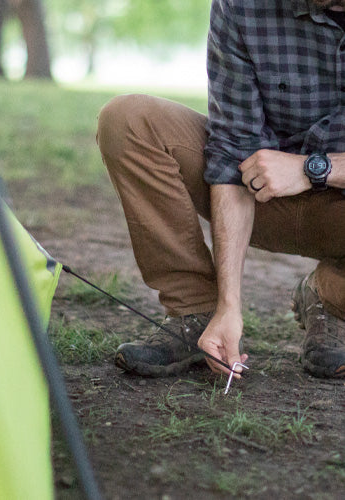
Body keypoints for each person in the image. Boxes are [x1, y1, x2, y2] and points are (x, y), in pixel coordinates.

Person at [96, 0, 345, 380]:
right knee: (128, 121)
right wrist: (229, 306)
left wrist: (313, 168)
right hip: (262, 192)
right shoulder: (242, 6)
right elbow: (232, 153)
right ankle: (195, 311)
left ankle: (328, 296)